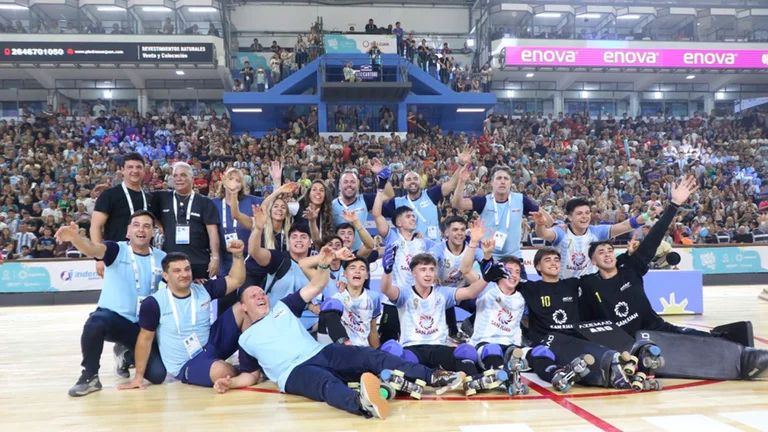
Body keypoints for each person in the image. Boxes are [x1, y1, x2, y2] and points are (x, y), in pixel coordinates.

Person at [221, 246, 466, 419]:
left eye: (262, 293)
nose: (261, 296)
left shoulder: (283, 307)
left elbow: (317, 284)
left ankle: (434, 376)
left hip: (321, 351)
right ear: (243, 306)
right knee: (327, 385)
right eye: (253, 296)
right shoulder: (245, 339)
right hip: (292, 372)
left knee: (372, 356)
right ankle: (362, 404)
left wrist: (325, 263)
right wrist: (230, 383)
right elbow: (251, 375)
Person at [58, 211, 167, 397]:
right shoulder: (116, 250)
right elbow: (92, 249)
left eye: (147, 226)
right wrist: (76, 239)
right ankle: (89, 376)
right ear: (128, 230)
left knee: (157, 375)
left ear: (153, 232)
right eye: (136, 225)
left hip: (143, 328)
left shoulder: (162, 257)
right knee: (95, 322)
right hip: (114, 319)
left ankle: (125, 354)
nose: (141, 229)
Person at [120, 239, 247, 389]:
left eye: (187, 269)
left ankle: (249, 365)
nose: (184, 274)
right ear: (166, 276)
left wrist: (238, 255)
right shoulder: (154, 303)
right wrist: (138, 377)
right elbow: (145, 339)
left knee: (243, 308)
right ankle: (242, 371)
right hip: (187, 362)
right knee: (219, 370)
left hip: (211, 345)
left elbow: (236, 280)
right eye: (177, 271)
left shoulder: (203, 288)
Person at [379, 250, 492, 392]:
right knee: (396, 352)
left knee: (467, 351)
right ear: (414, 273)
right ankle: (409, 383)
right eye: (423, 270)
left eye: (431, 270)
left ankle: (472, 382)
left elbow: (470, 292)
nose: (428, 274)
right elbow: (386, 289)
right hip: (413, 348)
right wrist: (387, 271)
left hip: (438, 347)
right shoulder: (405, 292)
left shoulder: (442, 293)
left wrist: (487, 278)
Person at [532, 197, 659, 278]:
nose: (585, 217)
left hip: (590, 287)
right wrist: (540, 224)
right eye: (579, 213)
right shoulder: (561, 231)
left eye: (587, 213)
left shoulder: (596, 231)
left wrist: (647, 215)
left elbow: (625, 225)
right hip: (564, 286)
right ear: (570, 217)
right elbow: (543, 234)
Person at [372, 189, 437, 344]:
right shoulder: (392, 237)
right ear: (398, 223)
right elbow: (376, 214)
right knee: (389, 341)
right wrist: (381, 189)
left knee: (418, 339)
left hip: (417, 300)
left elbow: (438, 257)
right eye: (408, 216)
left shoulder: (424, 242)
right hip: (393, 299)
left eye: (414, 216)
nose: (413, 218)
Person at [451, 165, 539, 266]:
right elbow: (457, 204)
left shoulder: (520, 199)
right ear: (492, 183)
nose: (502, 181)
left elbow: (543, 216)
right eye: (499, 178)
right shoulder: (483, 201)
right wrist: (461, 181)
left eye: (506, 178)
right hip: (488, 257)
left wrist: (554, 224)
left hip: (514, 259)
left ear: (510, 183)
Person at [245, 205, 316, 328]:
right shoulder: (279, 259)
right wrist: (258, 228)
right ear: (288, 242)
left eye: (303, 237)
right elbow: (254, 251)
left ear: (310, 243)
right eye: (294, 237)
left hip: (308, 325)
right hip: (275, 322)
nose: (298, 240)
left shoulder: (317, 265)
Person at [382, 146, 470, 241]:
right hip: (410, 250)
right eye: (408, 179)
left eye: (415, 179)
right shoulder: (397, 203)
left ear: (420, 182)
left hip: (432, 249)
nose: (412, 182)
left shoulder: (431, 194)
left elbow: (452, 183)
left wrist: (461, 163)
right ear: (403, 185)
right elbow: (377, 212)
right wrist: (381, 177)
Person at [152, 162, 221, 280]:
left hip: (199, 262)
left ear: (192, 178)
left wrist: (215, 257)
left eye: (183, 175)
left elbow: (212, 232)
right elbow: (144, 209)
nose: (178, 179)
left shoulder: (205, 202)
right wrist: (159, 225)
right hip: (171, 262)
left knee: (200, 297)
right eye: (175, 176)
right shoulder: (161, 198)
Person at [331, 160, 394, 250]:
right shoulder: (331, 205)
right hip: (337, 254)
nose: (349, 185)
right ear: (339, 186)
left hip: (360, 254)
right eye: (345, 182)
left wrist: (381, 176)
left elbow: (388, 195)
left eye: (352, 182)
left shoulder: (364, 200)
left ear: (358, 185)